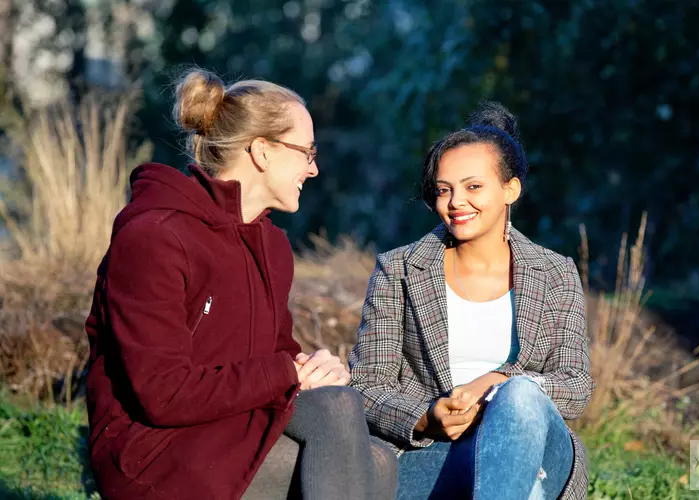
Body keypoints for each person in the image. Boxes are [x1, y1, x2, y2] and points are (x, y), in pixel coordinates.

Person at [85, 69, 397, 500]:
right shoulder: (154, 237)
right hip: (153, 452)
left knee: (353, 422)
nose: (315, 168)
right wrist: (286, 371)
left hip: (232, 426)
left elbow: (271, 357)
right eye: (306, 152)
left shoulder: (271, 245)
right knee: (362, 456)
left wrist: (313, 371)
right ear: (263, 152)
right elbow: (162, 393)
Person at [349, 101, 595, 500]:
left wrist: (501, 385)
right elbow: (364, 386)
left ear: (510, 189)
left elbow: (576, 385)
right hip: (431, 456)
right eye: (444, 190)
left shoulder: (555, 273)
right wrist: (427, 417)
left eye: (473, 186)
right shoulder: (399, 270)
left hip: (540, 450)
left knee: (519, 397)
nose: (456, 202)